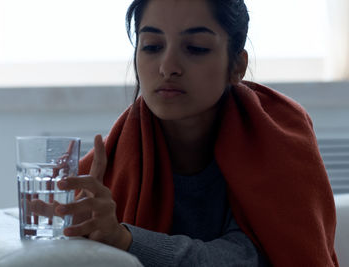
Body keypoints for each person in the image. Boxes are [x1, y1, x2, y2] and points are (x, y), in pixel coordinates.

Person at [53, 0, 339, 266]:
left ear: (237, 66)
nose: (167, 67)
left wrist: (125, 239)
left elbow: (251, 258)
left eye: (196, 48)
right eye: (152, 46)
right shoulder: (102, 170)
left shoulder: (281, 138)